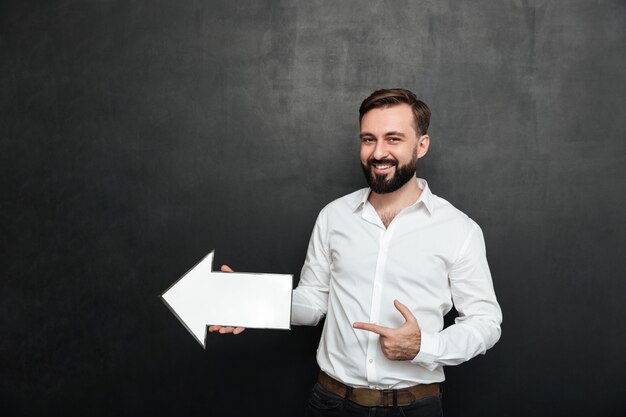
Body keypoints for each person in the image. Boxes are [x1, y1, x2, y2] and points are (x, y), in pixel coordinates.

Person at [210, 88, 502, 417]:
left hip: (414, 407)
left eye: (393, 139)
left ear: (421, 146)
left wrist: (424, 346)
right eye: (368, 139)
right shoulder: (333, 216)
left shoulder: (459, 229)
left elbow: (486, 322)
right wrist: (256, 301)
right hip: (330, 403)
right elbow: (314, 301)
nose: (379, 153)